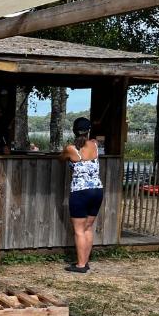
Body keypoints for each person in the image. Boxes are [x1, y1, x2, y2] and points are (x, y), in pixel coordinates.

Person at [63, 116, 103, 272]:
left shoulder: (70, 149)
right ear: (88, 131)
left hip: (80, 191)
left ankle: (80, 265)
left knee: (79, 230)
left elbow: (61, 158)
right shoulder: (95, 145)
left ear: (74, 130)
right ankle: (85, 262)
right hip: (97, 190)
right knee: (88, 228)